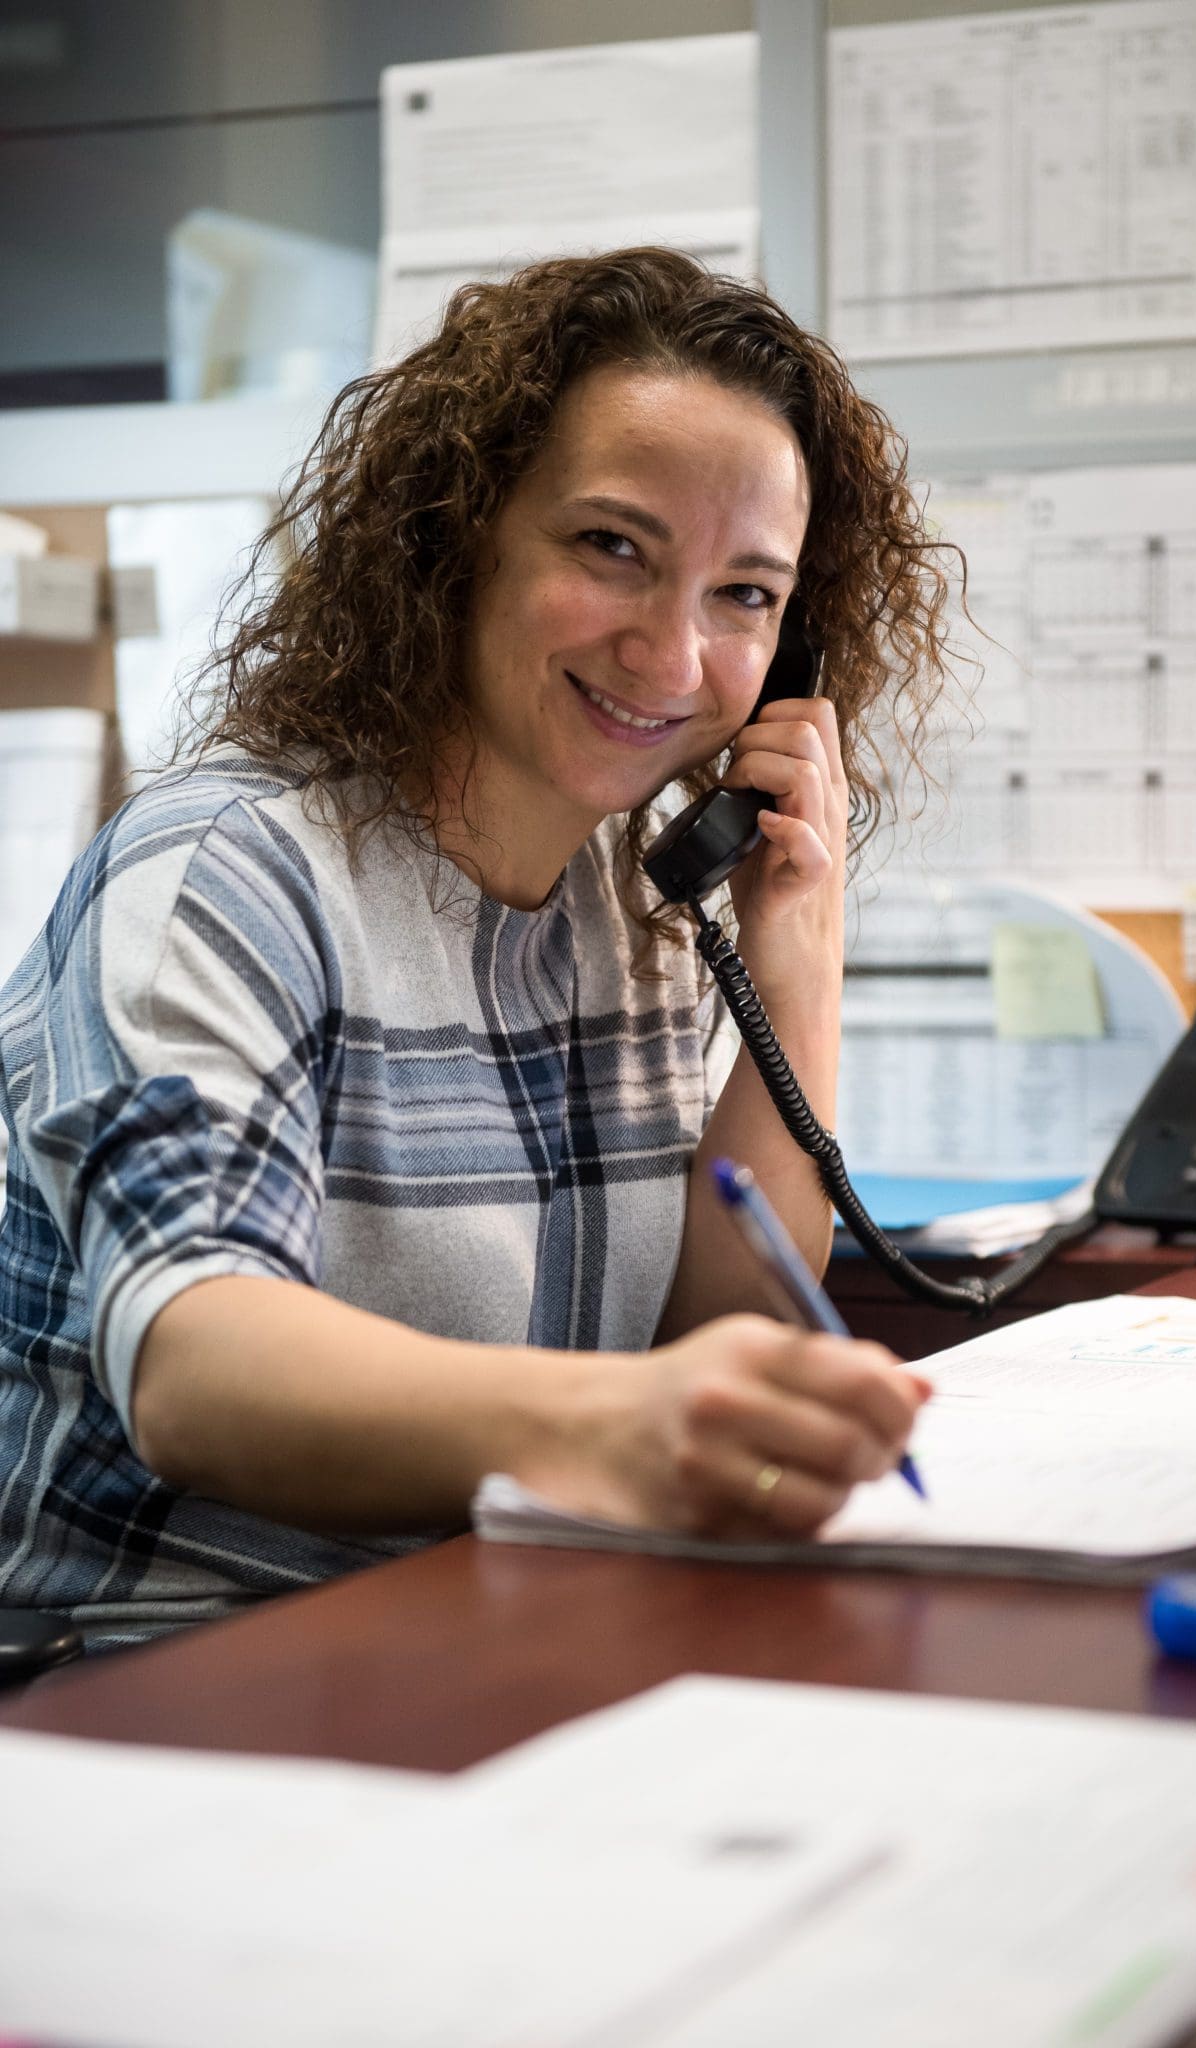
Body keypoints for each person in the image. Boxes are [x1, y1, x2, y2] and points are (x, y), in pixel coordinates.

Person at [0, 248, 948, 1647]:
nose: (675, 655)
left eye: (745, 594)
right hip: (163, 1675)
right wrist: (625, 1424)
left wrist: (796, 935)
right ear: (455, 536)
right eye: (611, 547)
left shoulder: (636, 910)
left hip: (493, 1631)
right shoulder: (229, 875)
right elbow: (195, 1361)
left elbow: (706, 1356)